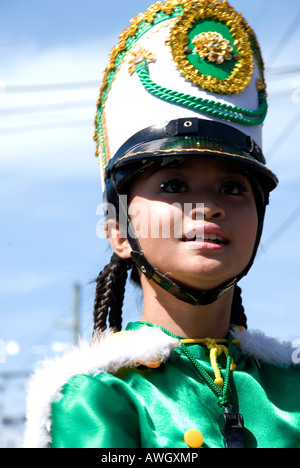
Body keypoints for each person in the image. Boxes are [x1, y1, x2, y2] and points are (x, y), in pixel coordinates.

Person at [23, 0, 300, 449]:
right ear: (116, 230)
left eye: (234, 188)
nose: (208, 207)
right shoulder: (97, 398)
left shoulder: (293, 387)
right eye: (173, 185)